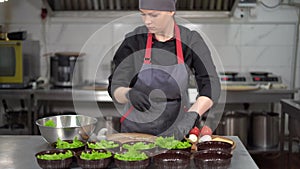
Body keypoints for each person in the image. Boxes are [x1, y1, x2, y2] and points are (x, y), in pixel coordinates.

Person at [108, 0, 220, 140]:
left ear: (171, 11)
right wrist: (128, 93)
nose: (147, 21)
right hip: (136, 132)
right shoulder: (134, 40)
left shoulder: (190, 40)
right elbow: (115, 85)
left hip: (178, 130)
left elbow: (211, 84)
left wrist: (192, 115)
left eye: (154, 15)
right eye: (143, 15)